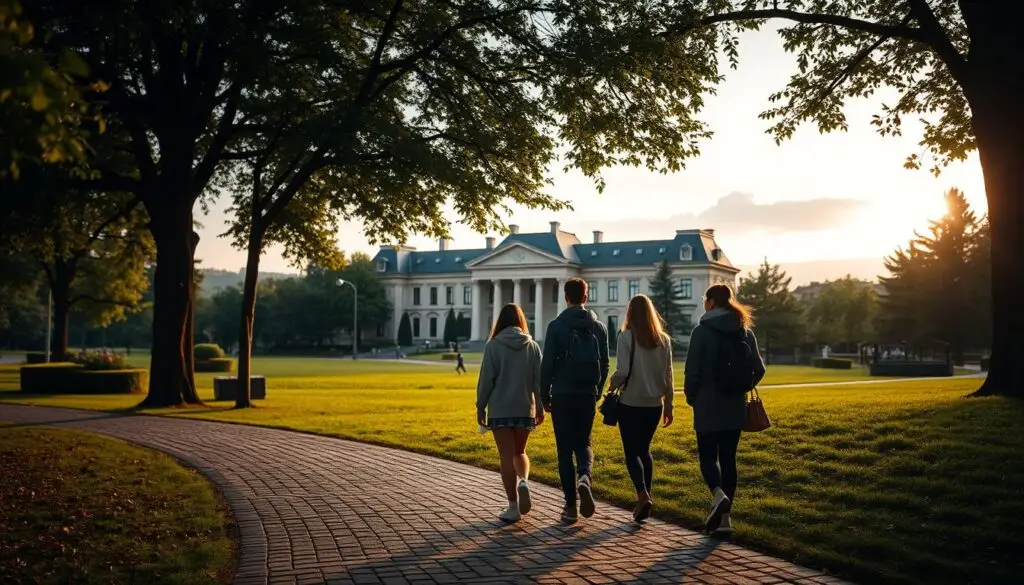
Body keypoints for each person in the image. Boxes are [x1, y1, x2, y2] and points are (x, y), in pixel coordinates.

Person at [683, 284, 765, 536]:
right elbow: (759, 369)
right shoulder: (744, 331)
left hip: (708, 404)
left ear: (709, 303)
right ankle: (725, 521)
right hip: (734, 405)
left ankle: (718, 495)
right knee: (729, 459)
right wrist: (741, 386)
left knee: (708, 457)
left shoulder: (702, 331)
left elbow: (692, 371)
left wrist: (691, 396)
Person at [540, 278, 610, 525]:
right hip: (586, 393)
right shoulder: (598, 327)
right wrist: (597, 390)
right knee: (584, 442)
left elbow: (546, 364)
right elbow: (605, 363)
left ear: (566, 297)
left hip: (561, 393)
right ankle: (584, 477)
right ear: (586, 297)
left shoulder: (556, 326)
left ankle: (570, 507)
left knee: (563, 449)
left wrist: (543, 396)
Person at [608, 294, 674, 523]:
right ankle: (646, 495)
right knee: (644, 450)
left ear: (630, 314)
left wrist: (612, 383)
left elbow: (623, 371)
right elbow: (669, 375)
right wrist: (669, 405)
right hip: (654, 405)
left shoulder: (626, 337)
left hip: (631, 404)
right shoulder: (664, 340)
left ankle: (643, 494)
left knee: (631, 453)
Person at [476, 303, 544, 523]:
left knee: (506, 456)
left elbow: (486, 380)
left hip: (500, 409)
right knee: (520, 452)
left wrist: (480, 406)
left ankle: (513, 507)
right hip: (524, 407)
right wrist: (541, 407)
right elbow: (538, 382)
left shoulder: (493, 346)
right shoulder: (532, 346)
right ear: (520, 321)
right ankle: (523, 480)